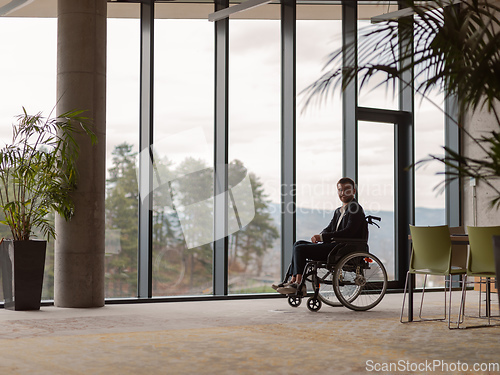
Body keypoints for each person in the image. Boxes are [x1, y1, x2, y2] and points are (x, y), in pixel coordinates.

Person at [272, 177, 367, 296]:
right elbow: (330, 227)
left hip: (342, 249)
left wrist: (323, 238)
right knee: (298, 243)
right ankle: (292, 280)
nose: (343, 193)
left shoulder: (355, 208)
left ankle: (298, 283)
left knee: (299, 249)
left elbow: (348, 232)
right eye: (340, 190)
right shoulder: (339, 211)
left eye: (346, 190)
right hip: (335, 246)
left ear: (354, 191)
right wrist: (320, 235)